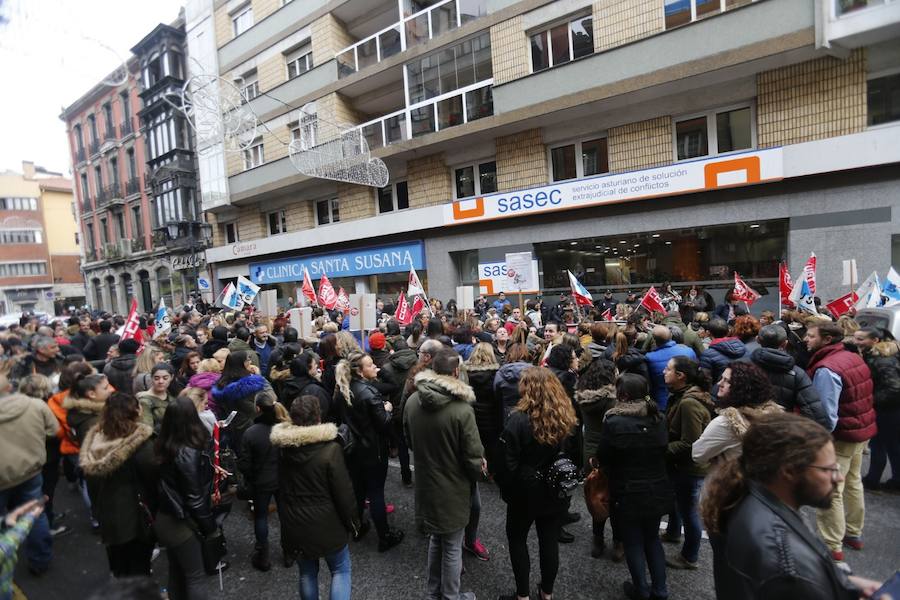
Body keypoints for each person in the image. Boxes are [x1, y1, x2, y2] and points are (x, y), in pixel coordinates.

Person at [700, 412, 882, 599]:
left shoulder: (745, 495)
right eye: (829, 469)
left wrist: (847, 584)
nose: (839, 477)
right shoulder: (786, 562)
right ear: (788, 471)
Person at [404, 348, 485, 599]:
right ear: (455, 372)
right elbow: (473, 457)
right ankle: (451, 596)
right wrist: (480, 471)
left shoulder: (412, 401)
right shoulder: (462, 409)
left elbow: (408, 441)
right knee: (451, 545)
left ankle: (432, 593)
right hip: (453, 485)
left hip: (427, 480)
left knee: (437, 540)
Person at [495, 367, 578, 600]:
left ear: (527, 388)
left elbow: (507, 463)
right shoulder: (565, 415)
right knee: (549, 541)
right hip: (555, 490)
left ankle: (522, 595)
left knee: (518, 539)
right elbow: (574, 455)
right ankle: (547, 593)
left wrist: (509, 489)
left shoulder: (518, 419)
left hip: (525, 491)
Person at [271, 395, 358, 600]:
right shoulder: (330, 450)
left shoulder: (283, 449)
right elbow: (343, 492)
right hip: (328, 523)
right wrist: (353, 522)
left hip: (295, 521)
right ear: (318, 417)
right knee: (340, 570)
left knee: (307, 572)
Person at [805, 321, 876, 560]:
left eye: (810, 335)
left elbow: (826, 415)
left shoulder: (826, 368)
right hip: (860, 432)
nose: (805, 338)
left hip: (841, 437)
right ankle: (853, 533)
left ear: (826, 340)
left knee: (831, 489)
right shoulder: (852, 357)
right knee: (853, 482)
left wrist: (819, 445)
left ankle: (831, 545)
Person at [596, 374, 671, 600]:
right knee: (652, 538)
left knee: (633, 541)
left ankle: (641, 589)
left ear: (623, 395)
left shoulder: (614, 422)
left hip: (627, 489)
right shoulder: (659, 418)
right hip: (657, 485)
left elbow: (604, 455)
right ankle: (660, 590)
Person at [79, 392, 158, 578]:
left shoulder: (96, 439)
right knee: (139, 568)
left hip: (108, 515)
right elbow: (153, 479)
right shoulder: (141, 443)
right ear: (135, 412)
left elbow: (91, 483)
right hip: (136, 518)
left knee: (119, 566)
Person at [335, 352, 404, 551]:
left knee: (357, 490)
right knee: (375, 493)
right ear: (359, 371)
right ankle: (384, 536)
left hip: (352, 450)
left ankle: (359, 528)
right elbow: (383, 423)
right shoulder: (368, 392)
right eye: (371, 365)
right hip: (372, 451)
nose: (376, 367)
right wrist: (388, 409)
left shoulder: (343, 389)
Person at [155, 396, 220, 599]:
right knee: (195, 576)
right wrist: (209, 527)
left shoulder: (165, 444)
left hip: (165, 517)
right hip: (181, 522)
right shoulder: (187, 452)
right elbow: (194, 498)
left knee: (177, 570)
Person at [0, 374, 58, 576]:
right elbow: (53, 430)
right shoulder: (35, 405)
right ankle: (40, 560)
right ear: (9, 388)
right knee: (33, 515)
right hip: (30, 471)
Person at [661, 355, 714, 570]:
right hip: (681, 465)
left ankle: (689, 556)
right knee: (677, 500)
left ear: (680, 376)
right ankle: (673, 532)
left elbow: (690, 442)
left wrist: (661, 451)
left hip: (690, 467)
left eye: (668, 369)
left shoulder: (689, 403)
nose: (664, 372)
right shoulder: (681, 395)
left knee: (689, 510)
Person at [692, 362, 783, 467]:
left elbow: (697, 455)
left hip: (731, 479)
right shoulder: (773, 416)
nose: (719, 383)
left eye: (726, 381)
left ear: (740, 387)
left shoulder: (726, 423)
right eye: (721, 379)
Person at [575, 357, 619, 560]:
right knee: (615, 497)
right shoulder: (611, 400)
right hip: (609, 449)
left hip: (590, 449)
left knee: (596, 495)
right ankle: (618, 542)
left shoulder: (583, 396)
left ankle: (597, 539)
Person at [238, 391, 285, 572]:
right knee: (285, 514)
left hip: (260, 481)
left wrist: (250, 475)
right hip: (282, 478)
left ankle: (263, 555)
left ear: (257, 408)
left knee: (261, 516)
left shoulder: (250, 432)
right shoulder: (283, 428)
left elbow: (244, 463)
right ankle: (289, 552)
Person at [749, 324, 828, 428]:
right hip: (781, 428)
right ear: (785, 343)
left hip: (748, 426)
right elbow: (814, 413)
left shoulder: (742, 367)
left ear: (758, 340)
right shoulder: (797, 374)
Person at [854, 327, 900, 492]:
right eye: (856, 338)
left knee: (881, 444)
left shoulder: (882, 359)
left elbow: (893, 388)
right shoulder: (878, 355)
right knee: (890, 444)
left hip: (888, 410)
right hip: (889, 408)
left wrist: (871, 400)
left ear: (875, 341)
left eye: (861, 339)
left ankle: (874, 479)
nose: (856, 342)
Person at [211, 350, 273, 453]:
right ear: (242, 363)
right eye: (248, 359)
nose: (250, 362)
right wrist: (258, 377)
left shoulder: (222, 382)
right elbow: (259, 405)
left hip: (229, 427)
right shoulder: (246, 387)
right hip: (248, 427)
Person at [466, 342, 502, 466]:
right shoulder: (497, 373)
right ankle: (491, 470)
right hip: (491, 416)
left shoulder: (465, 373)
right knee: (491, 445)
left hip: (471, 414)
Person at [645, 326, 696, 410]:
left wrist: (648, 400)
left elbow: (647, 385)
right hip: (687, 398)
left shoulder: (650, 357)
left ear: (654, 340)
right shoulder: (689, 351)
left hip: (660, 403)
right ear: (671, 336)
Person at [282, 351, 332, 417]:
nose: (317, 366)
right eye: (314, 364)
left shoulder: (287, 386)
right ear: (308, 369)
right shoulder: (316, 391)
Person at [699, 318, 747, 387]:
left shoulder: (707, 354)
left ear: (708, 333)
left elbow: (705, 380)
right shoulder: (743, 347)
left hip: (720, 390)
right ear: (728, 332)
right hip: (741, 388)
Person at [494, 343, 532, 423]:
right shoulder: (535, 372)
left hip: (508, 411)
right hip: (530, 411)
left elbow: (496, 393)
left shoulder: (501, 373)